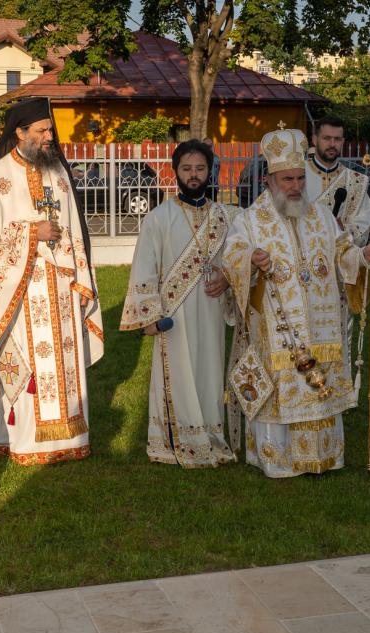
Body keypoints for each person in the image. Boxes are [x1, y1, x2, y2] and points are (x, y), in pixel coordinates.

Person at [219, 128, 370, 478]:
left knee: (320, 387)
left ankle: (323, 455)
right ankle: (278, 460)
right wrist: (251, 257)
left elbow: (342, 252)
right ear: (269, 180)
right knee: (282, 389)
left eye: (299, 178)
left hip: (321, 326)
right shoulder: (249, 219)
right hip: (277, 332)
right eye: (287, 179)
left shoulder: (321, 216)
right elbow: (231, 255)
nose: (295, 186)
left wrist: (363, 256)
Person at [0, 97, 104, 465]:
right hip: (20, 291)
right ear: (20, 132)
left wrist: (80, 279)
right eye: (42, 130)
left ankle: (72, 437)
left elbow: (75, 228)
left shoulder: (58, 172)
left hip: (60, 288)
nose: (50, 136)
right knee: (26, 368)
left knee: (64, 365)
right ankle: (26, 443)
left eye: (50, 130)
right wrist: (32, 233)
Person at [120, 140, 235, 468]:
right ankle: (175, 438)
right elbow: (144, 266)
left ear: (210, 171)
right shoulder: (159, 217)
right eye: (187, 169)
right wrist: (149, 316)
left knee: (210, 369)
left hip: (212, 306)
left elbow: (236, 260)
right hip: (174, 312)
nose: (194, 175)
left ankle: (210, 436)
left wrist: (227, 279)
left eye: (200, 168)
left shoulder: (224, 216)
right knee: (179, 369)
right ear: (176, 173)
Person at [304, 116, 370, 245]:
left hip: (341, 259)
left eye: (337, 139)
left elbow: (364, 223)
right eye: (326, 138)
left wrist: (343, 229)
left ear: (343, 141)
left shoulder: (356, 181)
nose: (332, 144)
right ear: (314, 140)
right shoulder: (298, 175)